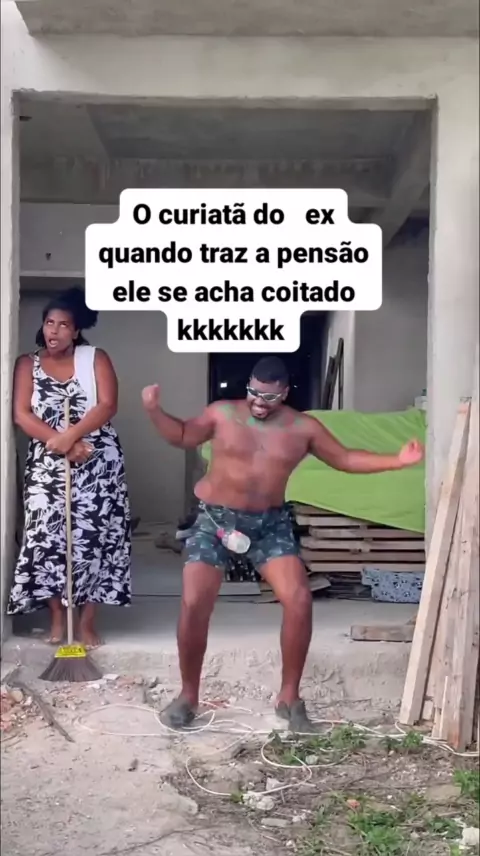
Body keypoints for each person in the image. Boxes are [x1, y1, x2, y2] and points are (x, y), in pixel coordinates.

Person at [142, 356, 424, 731]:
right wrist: (154, 410)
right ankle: (188, 696)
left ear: (285, 393)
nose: (260, 402)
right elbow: (182, 436)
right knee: (194, 601)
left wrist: (397, 460)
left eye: (270, 397)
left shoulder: (303, 428)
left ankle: (289, 698)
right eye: (254, 393)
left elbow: (344, 458)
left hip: (269, 524)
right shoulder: (222, 413)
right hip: (216, 521)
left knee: (299, 599)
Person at [8, 287, 131, 648]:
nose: (55, 330)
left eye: (64, 325)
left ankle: (86, 621)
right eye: (50, 323)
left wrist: (73, 437)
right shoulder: (27, 364)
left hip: (97, 461)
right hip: (48, 461)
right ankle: (58, 618)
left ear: (76, 331)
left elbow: (107, 405)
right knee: (45, 537)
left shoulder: (94, 359)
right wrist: (61, 443)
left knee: (94, 539)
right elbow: (22, 414)